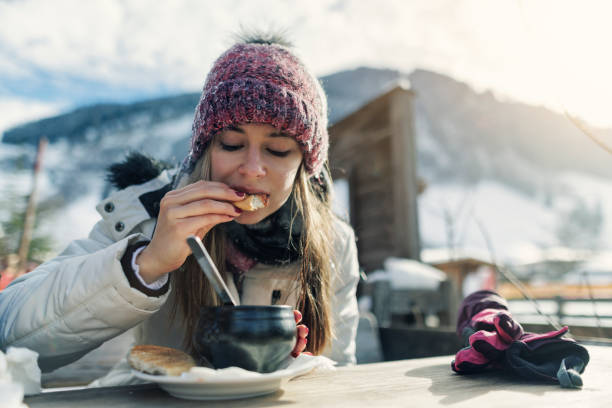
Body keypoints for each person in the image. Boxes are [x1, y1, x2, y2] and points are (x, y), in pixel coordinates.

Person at [0, 32, 360, 386]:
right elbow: (10, 332)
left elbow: (340, 372)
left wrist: (288, 367)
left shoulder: (333, 242)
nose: (252, 168)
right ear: (205, 148)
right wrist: (146, 263)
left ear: (304, 164)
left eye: (278, 150)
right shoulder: (148, 212)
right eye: (232, 143)